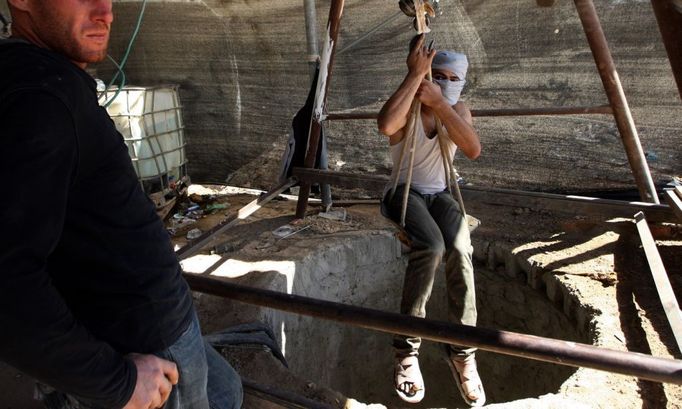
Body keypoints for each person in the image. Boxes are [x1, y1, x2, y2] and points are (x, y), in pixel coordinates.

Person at [0, 1, 242, 408]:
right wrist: (118, 382)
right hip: (140, 340)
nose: (106, 13)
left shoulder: (35, 76)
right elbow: (7, 282)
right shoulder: (42, 102)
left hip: (138, 320)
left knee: (224, 391)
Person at [377, 34, 485, 407]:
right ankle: (406, 350)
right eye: (437, 75)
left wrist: (441, 104)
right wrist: (413, 77)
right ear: (424, 73)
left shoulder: (458, 110)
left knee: (460, 247)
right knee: (432, 245)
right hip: (403, 192)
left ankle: (463, 353)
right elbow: (385, 125)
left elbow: (471, 149)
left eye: (453, 79)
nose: (445, 83)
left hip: (440, 194)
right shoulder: (409, 104)